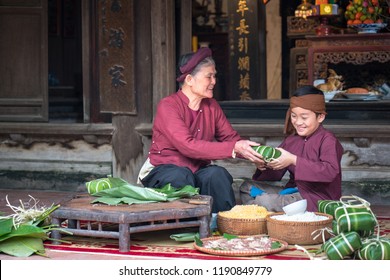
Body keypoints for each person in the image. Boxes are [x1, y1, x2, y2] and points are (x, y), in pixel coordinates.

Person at [138, 47, 264, 213]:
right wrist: (234, 148)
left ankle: (223, 225)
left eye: (214, 76)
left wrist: (256, 154)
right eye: (209, 76)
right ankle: (185, 227)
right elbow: (187, 145)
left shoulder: (211, 106)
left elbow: (230, 139)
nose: (214, 81)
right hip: (163, 170)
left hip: (196, 171)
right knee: (181, 177)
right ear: (189, 80)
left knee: (217, 175)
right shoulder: (168, 105)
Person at [240, 85, 344, 212]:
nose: (298, 122)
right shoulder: (291, 140)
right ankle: (267, 213)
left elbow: (330, 172)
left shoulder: (328, 140)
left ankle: (266, 211)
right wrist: (262, 165)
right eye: (294, 116)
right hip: (292, 193)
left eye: (304, 117)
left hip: (315, 198)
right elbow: (275, 174)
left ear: (320, 117)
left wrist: (294, 160)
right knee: (246, 187)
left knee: (265, 200)